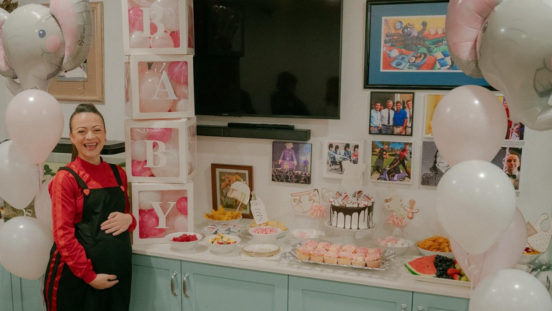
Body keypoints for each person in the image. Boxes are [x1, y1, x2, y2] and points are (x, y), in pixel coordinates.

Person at [44, 104, 136, 311]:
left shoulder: (118, 173)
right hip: (76, 280)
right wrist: (90, 276)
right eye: (81, 131)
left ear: (104, 133)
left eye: (96, 130)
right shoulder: (65, 178)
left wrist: (131, 219)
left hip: (116, 278)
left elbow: (125, 215)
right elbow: (63, 236)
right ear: (72, 137)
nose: (90, 137)